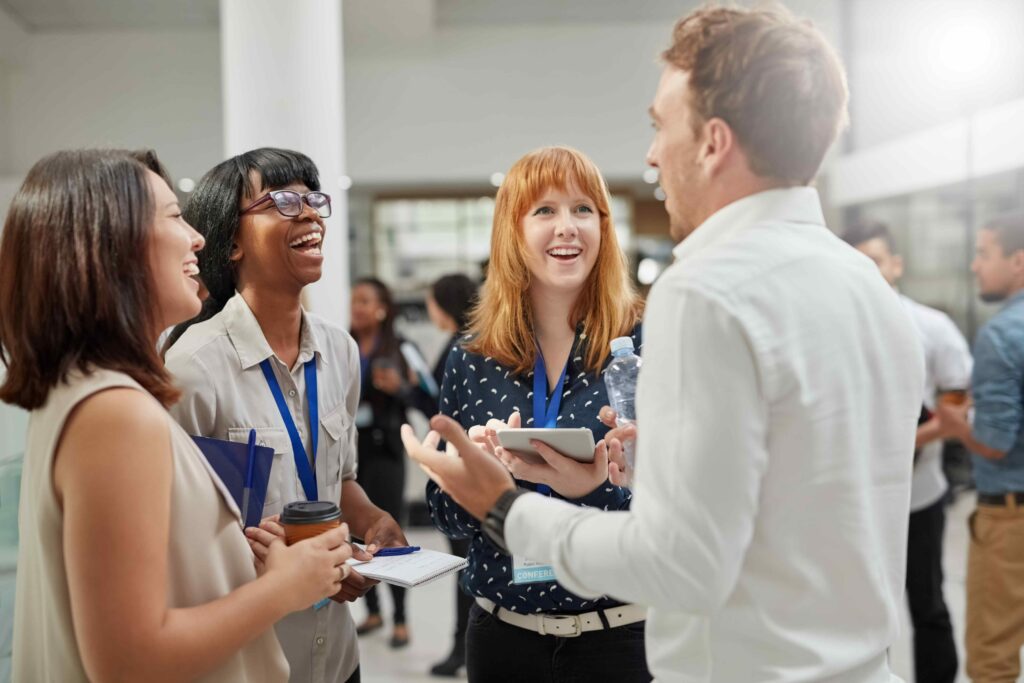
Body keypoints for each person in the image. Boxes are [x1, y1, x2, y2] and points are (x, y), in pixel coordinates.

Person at [404, 6, 926, 681]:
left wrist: (509, 508)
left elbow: (682, 564)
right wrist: (611, 475)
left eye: (659, 126)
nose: (651, 155)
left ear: (712, 142)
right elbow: (783, 498)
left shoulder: (705, 293)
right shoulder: (869, 288)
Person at [0, 149, 353, 682]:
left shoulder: (88, 391)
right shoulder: (114, 413)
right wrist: (285, 587)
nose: (197, 238)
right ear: (108, 247)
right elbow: (129, 662)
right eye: (173, 217)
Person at [164, 147, 407, 683]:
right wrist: (299, 567)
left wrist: (370, 521)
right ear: (230, 242)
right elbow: (176, 539)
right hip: (252, 661)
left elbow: (337, 480)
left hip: (339, 658)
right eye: (282, 201)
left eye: (313, 199)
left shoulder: (340, 351)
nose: (309, 214)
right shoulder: (192, 369)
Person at [425, 145, 649, 683]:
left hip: (621, 635)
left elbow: (683, 501)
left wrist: (594, 486)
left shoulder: (647, 341)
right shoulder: (473, 355)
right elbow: (445, 516)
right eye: (544, 211)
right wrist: (478, 478)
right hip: (503, 638)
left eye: (583, 209)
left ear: (604, 225)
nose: (566, 227)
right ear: (512, 229)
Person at [843, 220, 971, 683]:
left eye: (875, 260)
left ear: (896, 264)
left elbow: (958, 411)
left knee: (928, 604)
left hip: (920, 495)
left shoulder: (932, 328)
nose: (868, 271)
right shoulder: (831, 330)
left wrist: (898, 445)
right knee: (859, 616)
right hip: (852, 504)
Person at [937, 211, 1024, 683]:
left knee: (993, 658)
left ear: (1018, 261)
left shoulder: (1001, 335)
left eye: (984, 253)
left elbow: (993, 441)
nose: (975, 265)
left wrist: (955, 422)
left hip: (1012, 520)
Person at [349, 276, 428, 648]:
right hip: (352, 450)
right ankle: (373, 611)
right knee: (356, 532)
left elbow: (427, 396)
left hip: (388, 452)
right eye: (354, 301)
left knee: (387, 530)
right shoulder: (341, 345)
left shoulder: (402, 347)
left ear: (382, 308)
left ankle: (401, 618)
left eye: (365, 301)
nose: (357, 307)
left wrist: (400, 389)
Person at [422, 273, 479, 677]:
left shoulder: (465, 346)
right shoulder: (462, 344)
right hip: (455, 469)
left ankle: (464, 647)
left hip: (462, 470)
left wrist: (410, 391)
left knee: (466, 565)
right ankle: (463, 646)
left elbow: (445, 410)